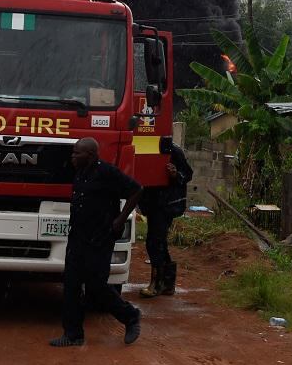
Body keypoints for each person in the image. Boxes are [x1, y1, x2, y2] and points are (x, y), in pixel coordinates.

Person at [50, 137, 143, 347]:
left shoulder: (107, 173)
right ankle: (73, 334)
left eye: (77, 153)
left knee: (96, 287)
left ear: (90, 156)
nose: (72, 157)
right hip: (78, 238)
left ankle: (130, 316)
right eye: (73, 152)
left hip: (99, 239)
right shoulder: (80, 173)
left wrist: (119, 220)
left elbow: (137, 190)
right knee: (71, 285)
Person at [138, 140, 193, 298]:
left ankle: (156, 284)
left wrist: (175, 174)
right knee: (159, 242)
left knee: (154, 242)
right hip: (153, 204)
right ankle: (167, 284)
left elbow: (188, 174)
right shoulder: (144, 147)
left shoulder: (173, 150)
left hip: (166, 205)